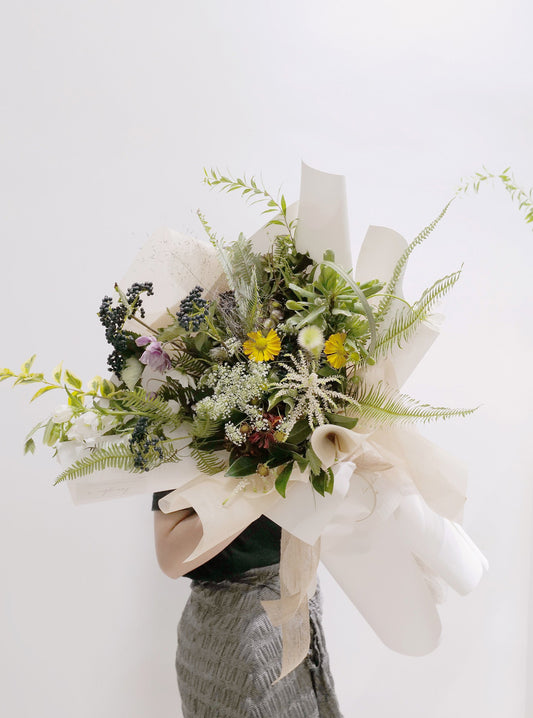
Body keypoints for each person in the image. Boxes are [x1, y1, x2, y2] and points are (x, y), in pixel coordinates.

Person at [152, 489, 344, 718]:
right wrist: (262, 482)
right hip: (228, 635)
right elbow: (170, 558)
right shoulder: (178, 453)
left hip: (294, 608)